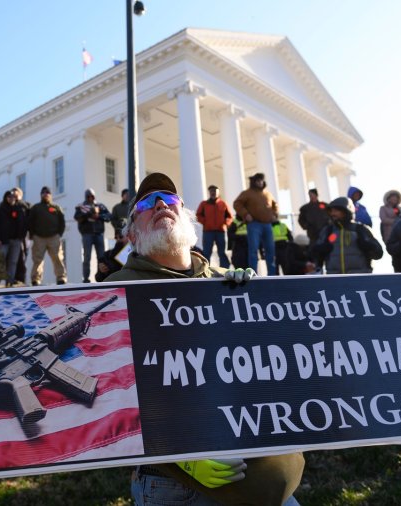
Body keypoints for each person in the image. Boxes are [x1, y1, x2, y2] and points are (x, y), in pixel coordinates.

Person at [105, 173, 303, 506]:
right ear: (132, 232)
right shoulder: (114, 291)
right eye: (146, 203)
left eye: (170, 201)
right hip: (177, 486)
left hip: (265, 479)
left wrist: (259, 309)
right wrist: (176, 455)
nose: (159, 205)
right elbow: (109, 396)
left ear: (185, 217)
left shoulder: (227, 282)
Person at [312, 197, 383, 274]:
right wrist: (319, 250)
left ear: (346, 211)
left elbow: (378, 254)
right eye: (331, 211)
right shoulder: (328, 230)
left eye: (336, 211)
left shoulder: (361, 229)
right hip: (334, 279)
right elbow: (314, 255)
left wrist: (368, 246)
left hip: (360, 279)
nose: (332, 213)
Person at [233, 173, 279, 275]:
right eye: (258, 180)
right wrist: (245, 214)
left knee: (270, 250)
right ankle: (253, 274)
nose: (260, 182)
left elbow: (275, 205)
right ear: (253, 182)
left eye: (261, 180)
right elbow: (237, 203)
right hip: (254, 224)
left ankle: (272, 275)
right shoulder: (247, 193)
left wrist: (275, 214)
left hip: (267, 225)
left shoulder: (268, 194)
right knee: (253, 250)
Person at [27, 186, 67, 286]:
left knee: (58, 257)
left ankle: (61, 278)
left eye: (47, 192)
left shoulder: (56, 208)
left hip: (54, 237)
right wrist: (32, 235)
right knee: (38, 259)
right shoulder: (36, 208)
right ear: (41, 195)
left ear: (50, 195)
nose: (45, 194)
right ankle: (36, 279)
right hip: (39, 237)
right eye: (43, 192)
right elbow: (30, 221)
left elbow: (62, 222)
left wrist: (59, 234)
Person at [0, 190, 28, 287]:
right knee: (1, 260)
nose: (11, 198)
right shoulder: (0, 210)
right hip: (4, 240)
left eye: (13, 197)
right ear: (5, 198)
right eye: (9, 197)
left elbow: (23, 224)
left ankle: (10, 281)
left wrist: (21, 236)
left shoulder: (19, 209)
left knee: (13, 262)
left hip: (16, 240)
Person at [74, 188, 110, 283]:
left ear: (94, 196)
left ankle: (101, 277)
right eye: (88, 196)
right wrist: (88, 214)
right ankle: (86, 279)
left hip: (99, 234)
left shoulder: (100, 206)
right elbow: (77, 217)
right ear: (86, 197)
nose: (90, 198)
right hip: (87, 234)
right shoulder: (81, 207)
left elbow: (109, 216)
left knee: (101, 257)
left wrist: (99, 216)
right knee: (87, 257)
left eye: (92, 196)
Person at [196, 184, 233, 268]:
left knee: (222, 252)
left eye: (215, 191)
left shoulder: (223, 204)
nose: (213, 193)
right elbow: (198, 215)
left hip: (221, 232)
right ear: (209, 192)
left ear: (218, 192)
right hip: (208, 232)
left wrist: (225, 223)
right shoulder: (204, 204)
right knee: (206, 252)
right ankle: (205, 270)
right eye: (212, 191)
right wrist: (206, 222)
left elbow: (230, 217)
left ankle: (224, 270)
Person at [11, 187, 31, 285]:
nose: (14, 194)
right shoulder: (10, 206)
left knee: (23, 257)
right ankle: (14, 278)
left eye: (16, 193)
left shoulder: (26, 206)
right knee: (15, 259)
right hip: (14, 236)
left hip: (24, 236)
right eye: (13, 193)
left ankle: (21, 279)